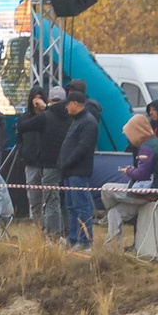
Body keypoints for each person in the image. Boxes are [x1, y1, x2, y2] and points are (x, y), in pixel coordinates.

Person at [98, 114, 158, 248]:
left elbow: (141, 174)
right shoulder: (155, 144)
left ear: (136, 132)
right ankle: (111, 248)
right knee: (115, 212)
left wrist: (128, 171)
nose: (128, 138)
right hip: (156, 192)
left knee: (106, 188)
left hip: (148, 193)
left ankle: (106, 215)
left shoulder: (147, 148)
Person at [56, 83, 100, 247]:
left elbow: (83, 147)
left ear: (75, 104)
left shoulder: (88, 122)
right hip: (69, 172)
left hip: (78, 171)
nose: (66, 107)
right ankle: (73, 238)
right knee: (71, 207)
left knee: (81, 207)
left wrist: (67, 162)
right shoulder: (77, 121)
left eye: (68, 104)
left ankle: (84, 240)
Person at [15, 85, 63, 237]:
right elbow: (19, 136)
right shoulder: (25, 118)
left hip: (47, 162)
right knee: (34, 199)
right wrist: (23, 152)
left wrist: (45, 109)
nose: (36, 100)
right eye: (34, 97)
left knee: (50, 199)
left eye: (39, 97)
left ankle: (52, 230)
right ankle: (38, 230)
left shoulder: (50, 116)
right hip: (31, 162)